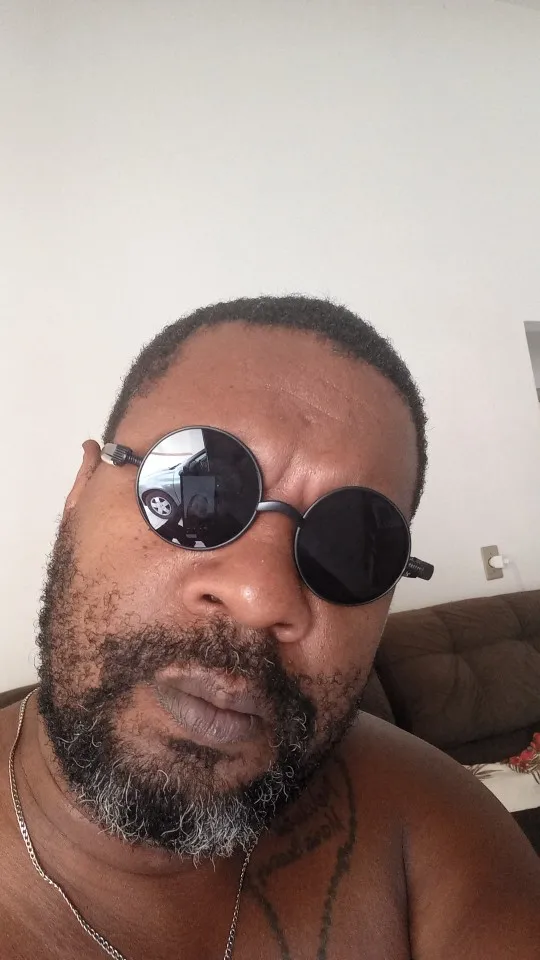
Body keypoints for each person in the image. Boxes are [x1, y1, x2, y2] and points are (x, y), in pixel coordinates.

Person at [0, 295, 539, 960]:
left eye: (352, 548)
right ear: (81, 487)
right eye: (196, 491)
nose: (262, 596)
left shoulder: (440, 831)